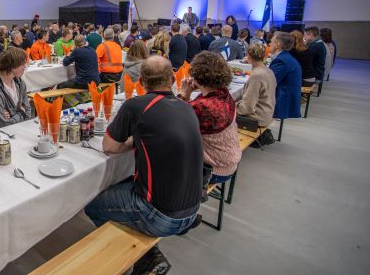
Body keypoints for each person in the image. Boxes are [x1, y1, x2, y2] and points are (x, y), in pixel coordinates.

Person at [85, 56, 202, 275]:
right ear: (171, 78)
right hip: (193, 208)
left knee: (92, 204)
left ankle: (145, 256)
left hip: (162, 215)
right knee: (127, 182)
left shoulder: (136, 106)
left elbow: (109, 146)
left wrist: (133, 141)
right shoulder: (186, 107)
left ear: (141, 80)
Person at [178, 51, 242, 186]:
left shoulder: (202, 106)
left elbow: (177, 121)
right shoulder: (224, 93)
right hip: (230, 160)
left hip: (215, 169)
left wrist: (184, 95)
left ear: (197, 77)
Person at [0, 48, 31, 130]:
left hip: (20, 130)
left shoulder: (20, 83)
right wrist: (21, 112)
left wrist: (12, 115)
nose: (25, 66)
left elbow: (28, 111)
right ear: (13, 68)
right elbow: (4, 124)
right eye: (23, 64)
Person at [236, 44, 276, 127]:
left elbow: (247, 108)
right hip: (266, 113)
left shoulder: (257, 75)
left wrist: (232, 106)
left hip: (257, 118)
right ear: (265, 56)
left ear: (248, 57)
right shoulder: (269, 71)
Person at [269, 32, 302, 119]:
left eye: (271, 41)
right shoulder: (285, 57)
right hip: (287, 95)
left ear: (277, 45)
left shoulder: (281, 60)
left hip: (282, 99)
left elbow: (269, 81)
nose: (269, 44)